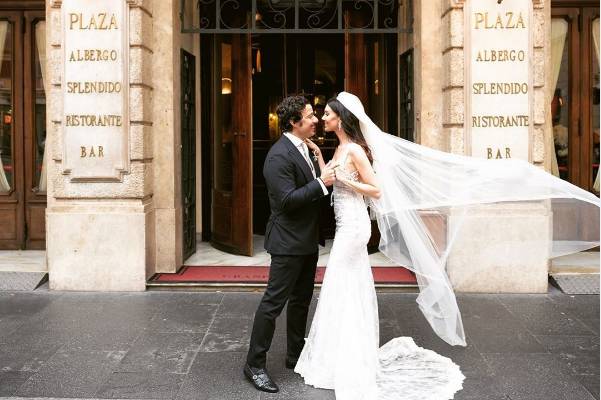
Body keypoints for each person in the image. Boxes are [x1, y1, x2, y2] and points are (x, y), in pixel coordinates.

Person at [294, 92, 600, 400]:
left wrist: (347, 183)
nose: (323, 118)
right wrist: (320, 157)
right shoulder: (340, 149)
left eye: (328, 114)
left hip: (355, 227)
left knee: (343, 283)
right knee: (342, 284)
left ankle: (348, 359)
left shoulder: (356, 152)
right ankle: (337, 355)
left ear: (342, 118)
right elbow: (331, 176)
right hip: (346, 224)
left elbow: (375, 190)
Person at [244, 95, 337, 393]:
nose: (315, 119)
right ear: (294, 122)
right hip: (287, 242)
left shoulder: (305, 148)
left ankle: (295, 355)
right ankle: (254, 365)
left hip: (307, 240)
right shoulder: (278, 156)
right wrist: (323, 183)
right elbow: (286, 201)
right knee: (273, 304)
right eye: (309, 115)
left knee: (301, 301)